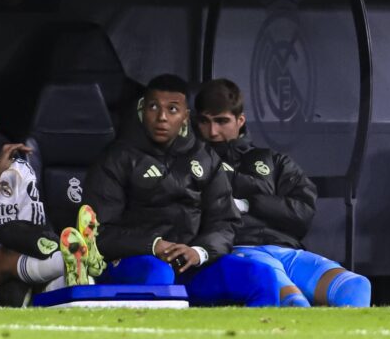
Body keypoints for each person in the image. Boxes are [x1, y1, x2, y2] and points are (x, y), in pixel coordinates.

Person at [83, 73, 280, 306]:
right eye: (153, 107)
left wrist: (199, 252)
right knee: (159, 274)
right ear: (142, 110)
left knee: (262, 276)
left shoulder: (205, 158)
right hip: (135, 262)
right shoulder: (116, 158)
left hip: (191, 265)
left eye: (173, 109)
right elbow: (99, 233)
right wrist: (153, 245)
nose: (162, 117)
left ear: (186, 116)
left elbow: (224, 221)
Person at [194, 78, 371, 307]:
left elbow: (302, 214)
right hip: (238, 251)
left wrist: (249, 204)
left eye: (221, 121)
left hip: (286, 249)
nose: (213, 131)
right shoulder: (193, 163)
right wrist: (270, 203)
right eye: (205, 122)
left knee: (357, 286)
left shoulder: (275, 161)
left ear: (240, 121)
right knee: (294, 301)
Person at [0, 85, 105, 304]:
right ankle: (77, 255)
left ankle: (74, 279)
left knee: (52, 265)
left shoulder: (19, 170)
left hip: (20, 253)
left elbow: (33, 231)